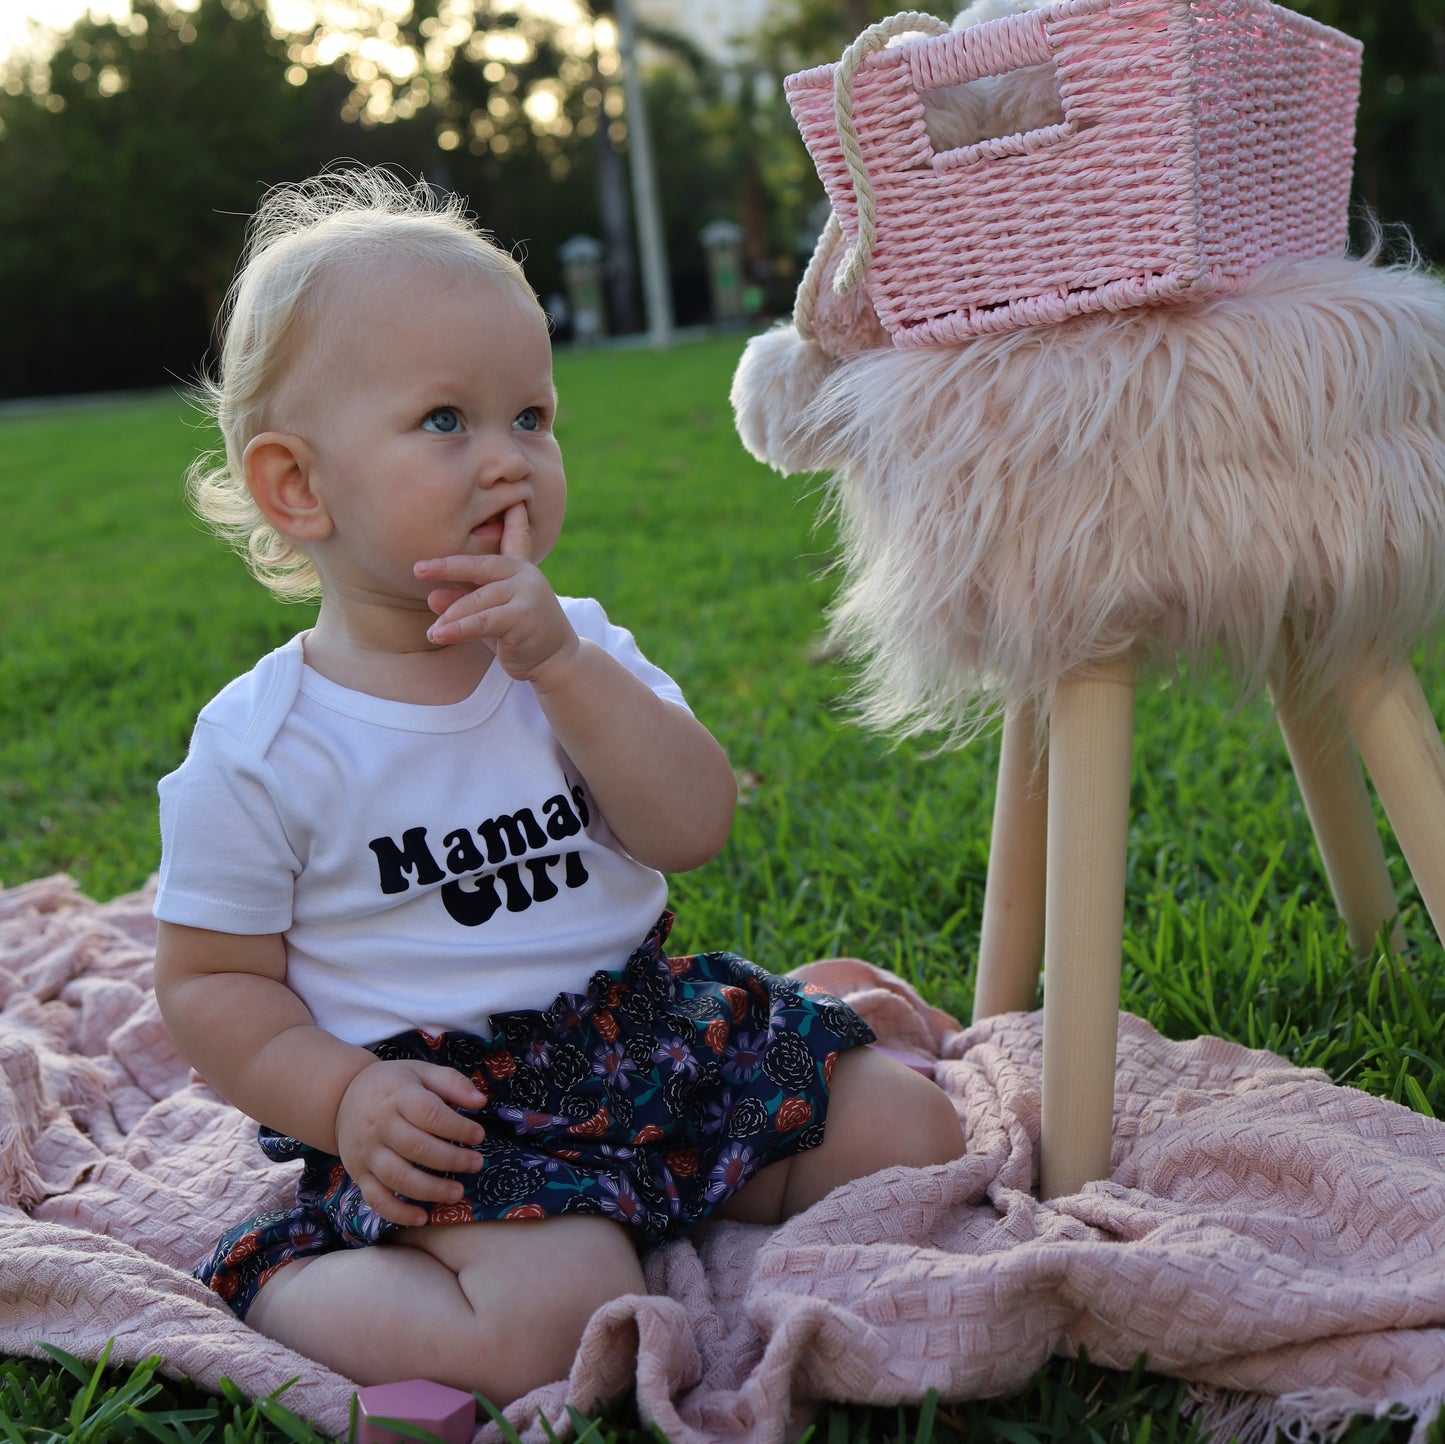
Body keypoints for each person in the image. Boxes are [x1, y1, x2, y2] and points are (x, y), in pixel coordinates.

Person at [152, 165, 965, 1407]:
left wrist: (559, 669)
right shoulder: (264, 745)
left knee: (912, 1137)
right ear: (296, 488)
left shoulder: (580, 648)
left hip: (644, 1030)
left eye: (530, 417)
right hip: (457, 1107)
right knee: (556, 1318)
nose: (506, 460)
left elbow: (690, 826)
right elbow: (212, 983)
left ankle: (694, 1181)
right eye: (445, 421)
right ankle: (280, 1278)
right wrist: (345, 1095)